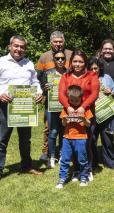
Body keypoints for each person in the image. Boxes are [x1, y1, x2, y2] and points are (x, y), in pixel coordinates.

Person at [0, 35, 44, 179]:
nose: (19, 49)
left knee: (25, 140)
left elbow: (34, 81)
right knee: (2, 140)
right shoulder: (1, 62)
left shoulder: (29, 64)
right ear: (10, 46)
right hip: (5, 107)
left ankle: (27, 166)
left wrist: (39, 92)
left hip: (25, 107)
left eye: (22, 47)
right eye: (16, 46)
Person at [59, 50, 100, 182]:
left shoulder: (91, 75)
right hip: (70, 114)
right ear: (71, 62)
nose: (77, 64)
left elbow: (94, 94)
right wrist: (68, 107)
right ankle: (76, 170)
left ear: (85, 63)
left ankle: (87, 170)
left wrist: (83, 107)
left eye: (80, 61)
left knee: (85, 143)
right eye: (75, 61)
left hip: (87, 114)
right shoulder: (65, 76)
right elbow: (61, 95)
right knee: (71, 142)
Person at [36, 31, 73, 161]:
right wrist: (43, 89)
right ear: (51, 42)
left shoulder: (70, 55)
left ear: (64, 42)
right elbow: (38, 78)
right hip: (51, 100)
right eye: (55, 41)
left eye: (60, 41)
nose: (58, 44)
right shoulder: (44, 57)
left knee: (65, 127)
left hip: (67, 100)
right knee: (49, 127)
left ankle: (65, 152)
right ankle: (47, 152)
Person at [56, 85, 93, 188]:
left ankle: (84, 177)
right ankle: (62, 178)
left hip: (81, 138)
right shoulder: (66, 109)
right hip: (67, 138)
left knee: (82, 159)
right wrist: (64, 119)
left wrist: (84, 119)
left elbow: (89, 124)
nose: (74, 102)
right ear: (68, 99)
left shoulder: (85, 109)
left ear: (81, 98)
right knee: (65, 159)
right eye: (72, 100)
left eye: (76, 100)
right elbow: (63, 124)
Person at [88, 57, 114, 169]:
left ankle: (110, 163)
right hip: (91, 114)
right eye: (91, 69)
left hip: (106, 114)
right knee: (92, 139)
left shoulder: (107, 78)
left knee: (107, 139)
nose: (94, 71)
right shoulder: (86, 79)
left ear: (100, 68)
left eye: (96, 68)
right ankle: (92, 163)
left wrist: (111, 92)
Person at [40, 50, 66, 168]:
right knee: (53, 132)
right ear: (54, 60)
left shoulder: (68, 73)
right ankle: (51, 157)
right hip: (51, 107)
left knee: (63, 132)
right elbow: (41, 88)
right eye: (57, 58)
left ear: (65, 60)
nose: (60, 60)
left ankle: (61, 155)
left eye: (62, 58)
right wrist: (45, 88)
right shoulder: (47, 73)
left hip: (65, 107)